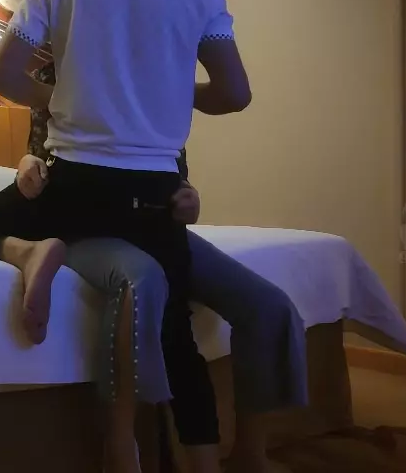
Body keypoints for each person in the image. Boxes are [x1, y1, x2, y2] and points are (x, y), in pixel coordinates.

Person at [0, 0, 253, 471]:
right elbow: (234, 94)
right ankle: (206, 465)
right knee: (176, 333)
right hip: (154, 192)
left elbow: (3, 75)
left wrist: (69, 99)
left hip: (74, 186)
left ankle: (28, 250)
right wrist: (167, 92)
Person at [20, 60, 307, 473]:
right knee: (147, 286)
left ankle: (251, 454)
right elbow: (41, 155)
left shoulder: (158, 70)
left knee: (268, 307)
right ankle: (125, 445)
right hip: (84, 228)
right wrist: (28, 167)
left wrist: (188, 197)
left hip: (155, 224)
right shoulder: (57, 72)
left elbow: (174, 173)